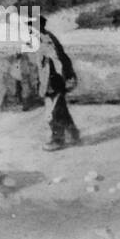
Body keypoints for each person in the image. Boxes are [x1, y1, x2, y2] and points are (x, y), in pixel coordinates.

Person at [33, 15, 80, 151]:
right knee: (60, 108)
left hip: (54, 79)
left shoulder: (45, 40)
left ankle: (58, 139)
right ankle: (73, 134)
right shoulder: (41, 38)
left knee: (53, 111)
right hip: (49, 79)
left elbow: (59, 58)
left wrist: (68, 75)